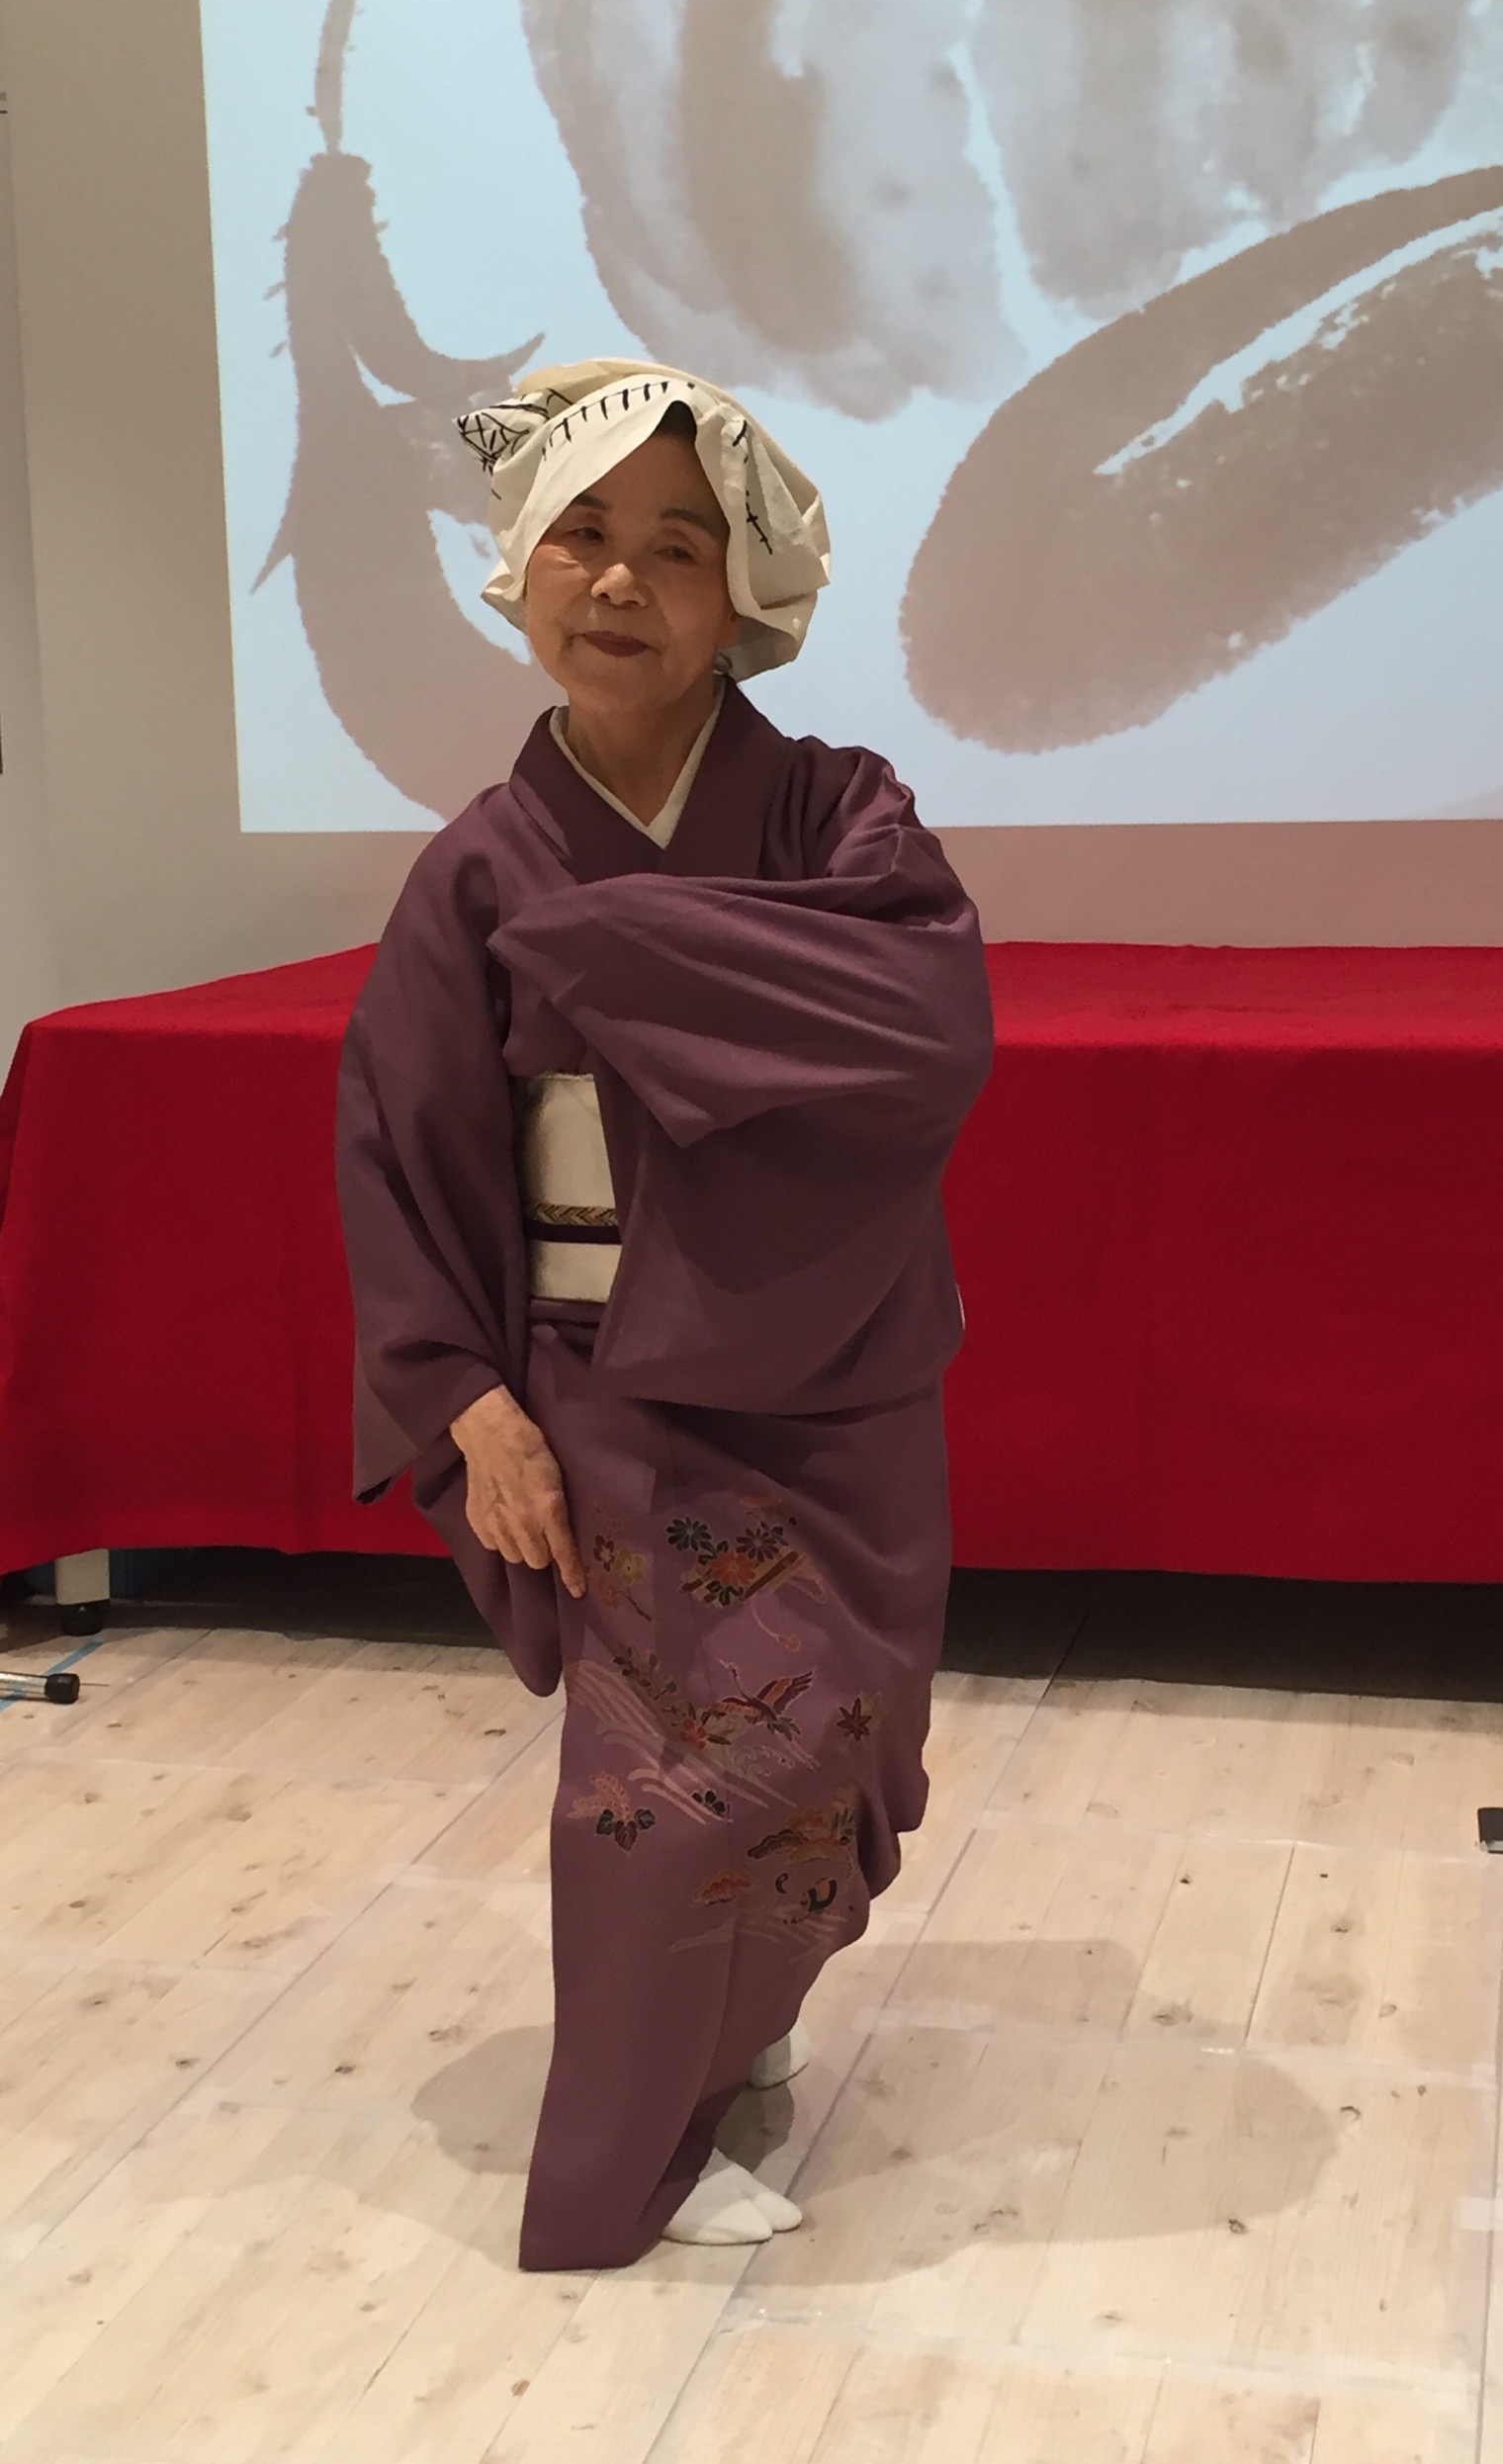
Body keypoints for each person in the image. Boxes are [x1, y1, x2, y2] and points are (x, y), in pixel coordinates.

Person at [335, 359, 993, 2271]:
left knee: (838, 1734)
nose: (619, 579)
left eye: (677, 547)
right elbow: (397, 1143)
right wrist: (470, 1403)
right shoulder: (477, 865)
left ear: (742, 595)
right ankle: (632, 2159)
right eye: (583, 535)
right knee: (660, 1780)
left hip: (834, 1366)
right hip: (599, 1378)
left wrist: (606, 949)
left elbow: (921, 1032)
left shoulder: (843, 812)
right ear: (522, 570)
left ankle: (747, 2011)